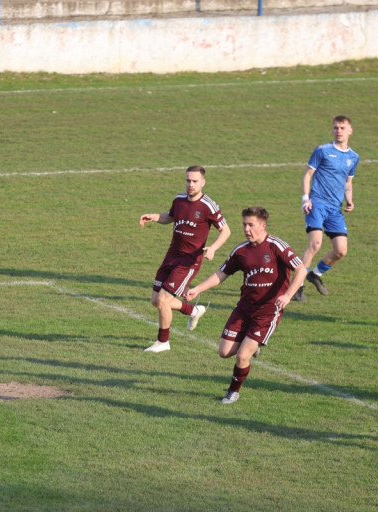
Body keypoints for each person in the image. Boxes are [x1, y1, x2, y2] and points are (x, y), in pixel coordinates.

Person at [185, 206, 307, 403]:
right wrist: (198, 289)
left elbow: (301, 269)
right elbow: (221, 273)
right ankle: (253, 344)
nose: (246, 229)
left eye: (251, 225)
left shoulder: (277, 246)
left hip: (268, 311)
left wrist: (288, 295)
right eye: (244, 225)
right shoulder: (241, 251)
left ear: (263, 225)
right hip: (244, 308)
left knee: (242, 356)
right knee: (224, 352)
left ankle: (233, 391)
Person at [138, 165, 231, 352]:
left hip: (189, 262)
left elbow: (226, 230)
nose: (191, 184)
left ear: (203, 182)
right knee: (156, 300)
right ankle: (193, 311)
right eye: (188, 180)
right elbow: (170, 216)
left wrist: (213, 247)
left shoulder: (208, 206)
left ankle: (163, 342)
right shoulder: (179, 199)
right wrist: (155, 217)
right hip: (171, 255)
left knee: (163, 300)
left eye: (195, 181)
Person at [295, 115, 359, 301]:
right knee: (315, 244)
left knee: (341, 250)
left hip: (334, 209)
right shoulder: (322, 150)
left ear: (350, 131)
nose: (338, 131)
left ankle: (315, 274)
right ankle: (298, 285)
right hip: (317, 203)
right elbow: (308, 175)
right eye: (335, 128)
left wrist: (350, 200)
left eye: (342, 128)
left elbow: (348, 182)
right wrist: (305, 199)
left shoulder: (353, 157)